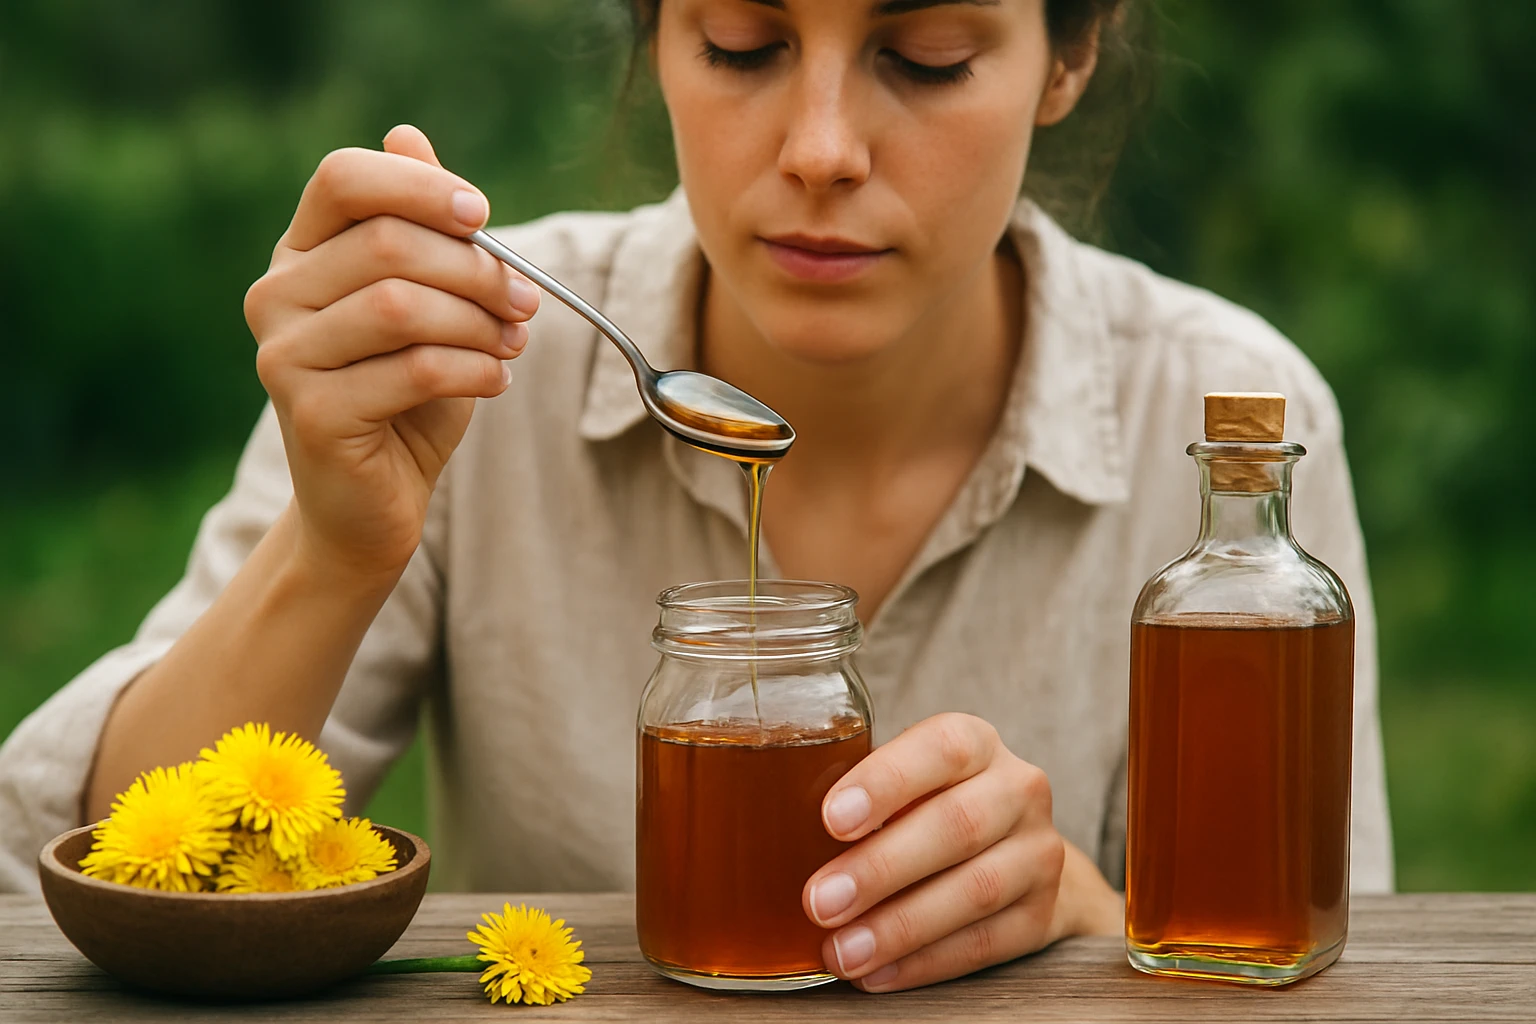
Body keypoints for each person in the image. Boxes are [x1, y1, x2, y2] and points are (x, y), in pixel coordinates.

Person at [0, 0, 1393, 992]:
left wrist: (1083, 917)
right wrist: (335, 546)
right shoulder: (465, 366)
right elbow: (82, 881)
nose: (823, 148)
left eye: (925, 55)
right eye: (743, 45)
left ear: (1067, 57)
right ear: (658, 44)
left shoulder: (1226, 429)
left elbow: (1354, 959)